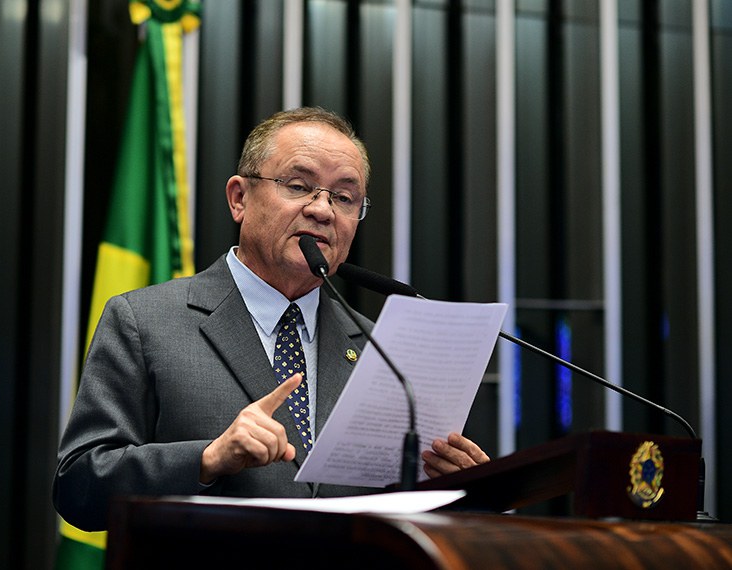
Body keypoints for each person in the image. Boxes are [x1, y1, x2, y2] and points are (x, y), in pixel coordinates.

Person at [53, 107, 489, 531]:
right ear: (240, 198)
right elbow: (79, 488)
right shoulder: (145, 322)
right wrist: (208, 459)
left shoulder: (382, 352)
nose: (323, 210)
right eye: (299, 186)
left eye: (344, 197)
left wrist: (456, 486)